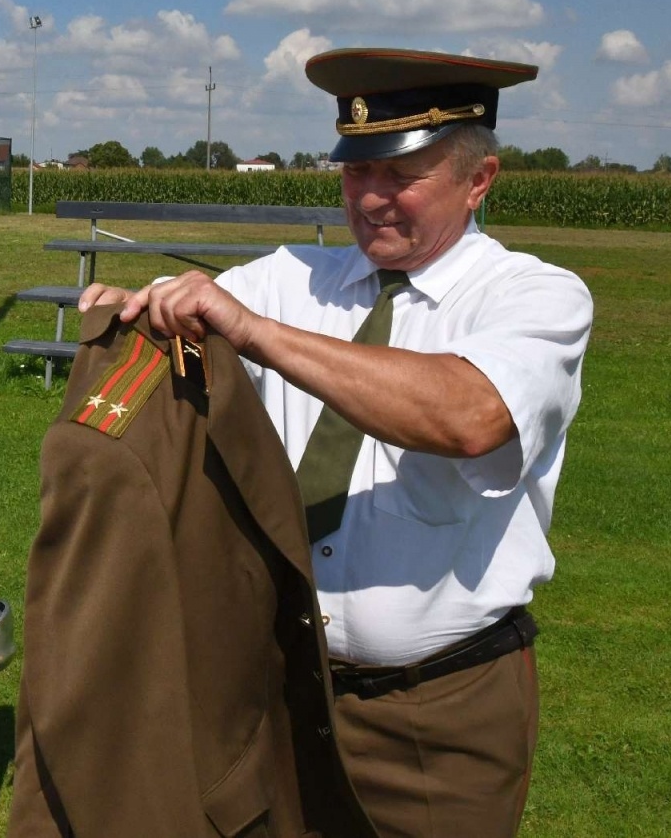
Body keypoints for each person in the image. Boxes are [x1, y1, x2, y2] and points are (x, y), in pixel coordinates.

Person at [78, 48, 593, 838]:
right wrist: (137, 314)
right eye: (356, 173)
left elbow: (471, 416)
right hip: (279, 690)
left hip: (439, 712)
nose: (373, 199)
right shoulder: (292, 277)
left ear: (478, 180)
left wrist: (254, 331)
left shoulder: (534, 295)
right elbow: (189, 322)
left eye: (404, 175)